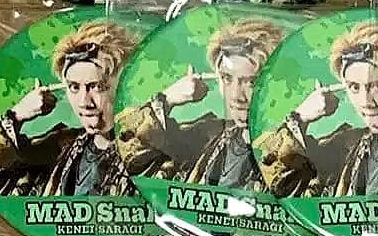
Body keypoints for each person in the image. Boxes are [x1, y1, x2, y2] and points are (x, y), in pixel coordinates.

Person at [0, 22, 139, 197]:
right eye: (74, 87)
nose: (84, 102)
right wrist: (17, 115)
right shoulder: (60, 148)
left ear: (125, 86)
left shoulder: (146, 148)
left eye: (97, 86)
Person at [116, 18, 284, 190]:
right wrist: (167, 99)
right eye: (227, 78)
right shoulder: (207, 137)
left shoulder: (288, 152)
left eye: (251, 82)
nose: (235, 96)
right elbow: (131, 151)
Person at [255, 22, 378, 197]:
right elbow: (278, 183)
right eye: (354, 87)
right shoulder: (345, 146)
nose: (366, 102)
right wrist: (300, 118)